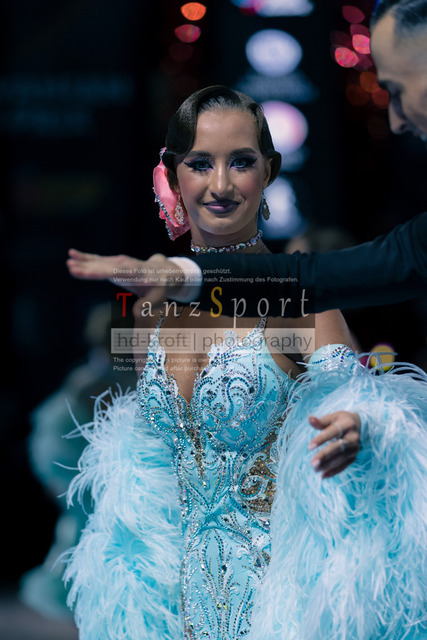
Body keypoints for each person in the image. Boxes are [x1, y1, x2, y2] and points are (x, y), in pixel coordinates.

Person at [65, 86, 426, 639]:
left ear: (270, 171)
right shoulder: (145, 312)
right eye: (199, 164)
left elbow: (365, 411)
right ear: (171, 175)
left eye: (241, 162)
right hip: (169, 614)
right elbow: (142, 469)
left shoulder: (300, 302)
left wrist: (362, 426)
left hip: (281, 613)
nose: (220, 185)